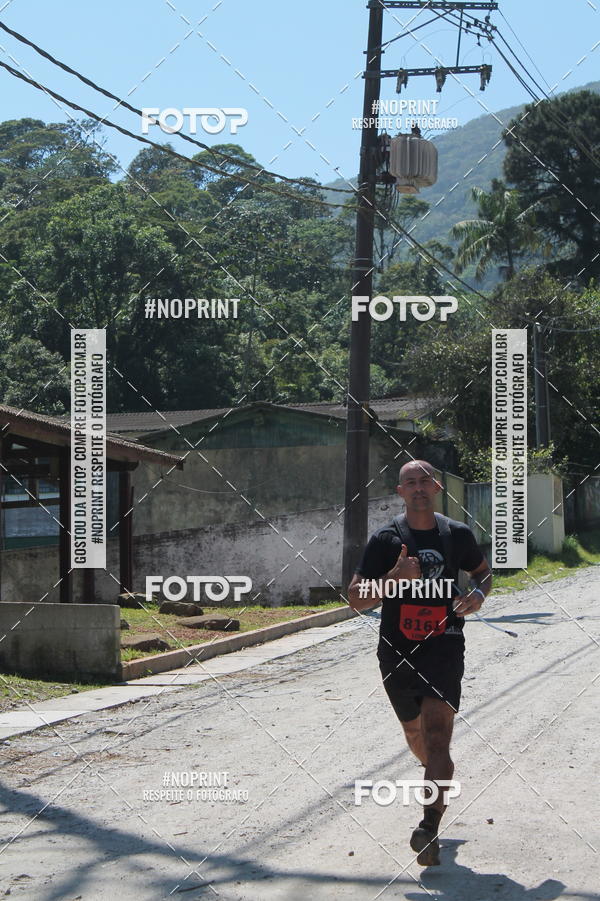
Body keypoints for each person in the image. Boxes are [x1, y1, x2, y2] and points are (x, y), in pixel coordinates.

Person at [347, 460, 491, 866]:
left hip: (444, 645)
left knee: (438, 735)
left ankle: (429, 828)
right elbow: (355, 598)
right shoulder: (386, 539)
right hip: (397, 650)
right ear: (400, 492)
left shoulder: (457, 534)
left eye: (425, 481)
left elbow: (482, 574)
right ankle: (437, 774)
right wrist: (393, 577)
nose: (418, 488)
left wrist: (478, 596)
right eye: (410, 482)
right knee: (417, 736)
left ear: (437, 488)